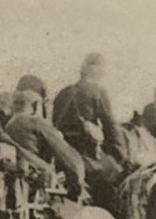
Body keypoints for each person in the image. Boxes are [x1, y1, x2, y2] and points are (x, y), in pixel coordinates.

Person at [52, 52, 125, 204]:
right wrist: (119, 154)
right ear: (99, 73)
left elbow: (54, 123)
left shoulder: (63, 93)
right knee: (118, 178)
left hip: (60, 153)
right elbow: (110, 125)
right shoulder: (98, 92)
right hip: (85, 153)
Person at [1, 76, 85, 197]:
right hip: (33, 192)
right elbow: (73, 164)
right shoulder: (36, 123)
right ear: (37, 105)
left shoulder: (7, 124)